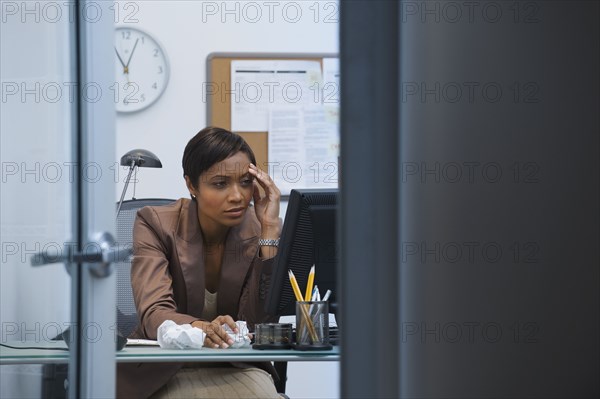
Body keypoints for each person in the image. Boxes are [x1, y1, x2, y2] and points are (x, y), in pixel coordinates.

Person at [117, 127, 282, 398]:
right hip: (164, 369)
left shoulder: (261, 230)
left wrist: (269, 231)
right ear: (191, 185)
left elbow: (260, 326)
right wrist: (200, 328)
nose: (237, 196)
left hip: (236, 367)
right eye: (220, 184)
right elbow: (154, 313)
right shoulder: (155, 223)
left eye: (244, 182)